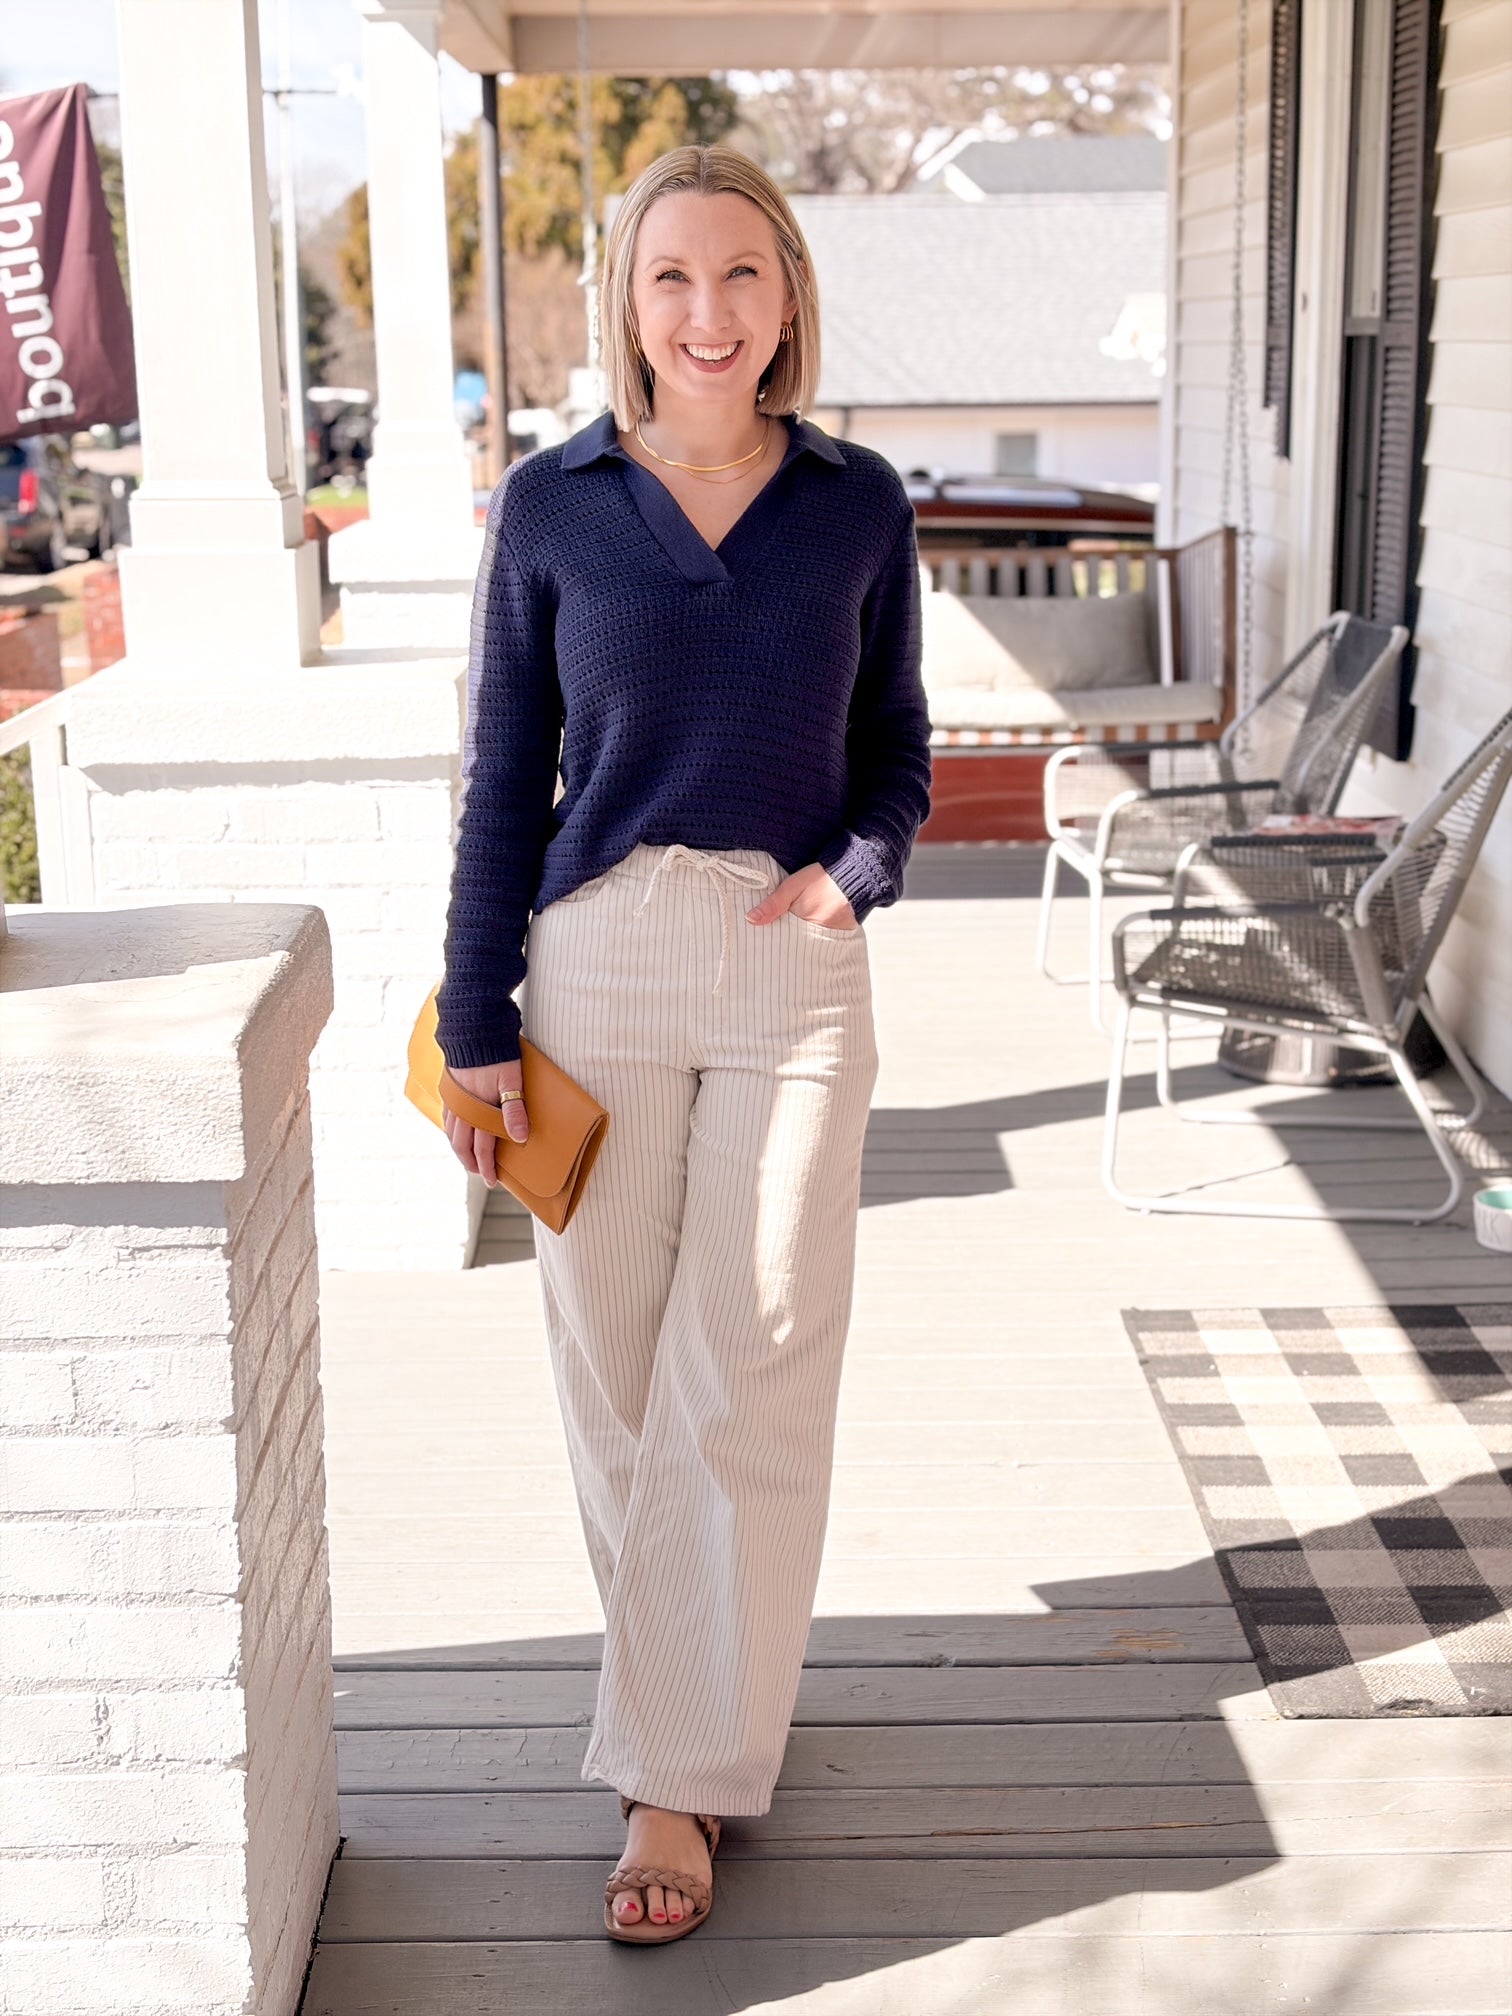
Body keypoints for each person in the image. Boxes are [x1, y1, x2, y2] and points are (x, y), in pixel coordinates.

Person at [435, 143, 931, 1944]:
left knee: (761, 1354)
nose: (706, 313)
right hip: (597, 964)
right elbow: (506, 781)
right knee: (625, 1374)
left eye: (740, 276)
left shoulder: (861, 503)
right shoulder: (552, 508)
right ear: (627, 307)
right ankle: (685, 1720)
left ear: (787, 293)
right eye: (670, 279)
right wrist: (476, 1019)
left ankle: (678, 1782)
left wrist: (851, 879)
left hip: (788, 963)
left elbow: (899, 752)